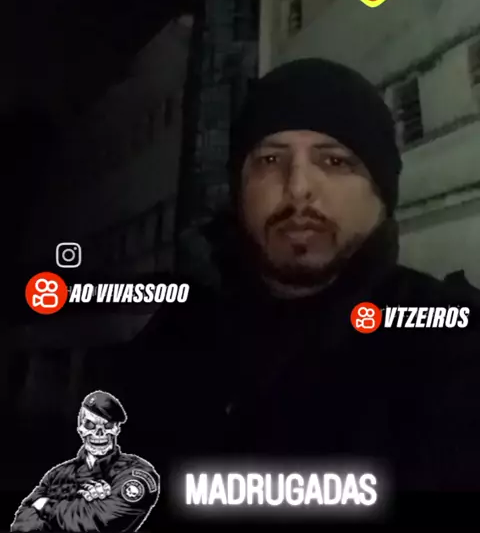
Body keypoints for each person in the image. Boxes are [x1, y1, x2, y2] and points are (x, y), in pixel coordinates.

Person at [95, 59, 480, 523]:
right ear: (239, 190)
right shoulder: (173, 340)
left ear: (382, 194)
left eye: (334, 161)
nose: (298, 188)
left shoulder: (450, 346)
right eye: (270, 160)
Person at [10, 390, 159, 532]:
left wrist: (44, 505)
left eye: (107, 426)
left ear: (117, 429)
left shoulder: (136, 472)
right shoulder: (56, 474)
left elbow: (101, 523)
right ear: (80, 428)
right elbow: (21, 524)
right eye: (90, 425)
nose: (99, 433)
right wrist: (87, 506)